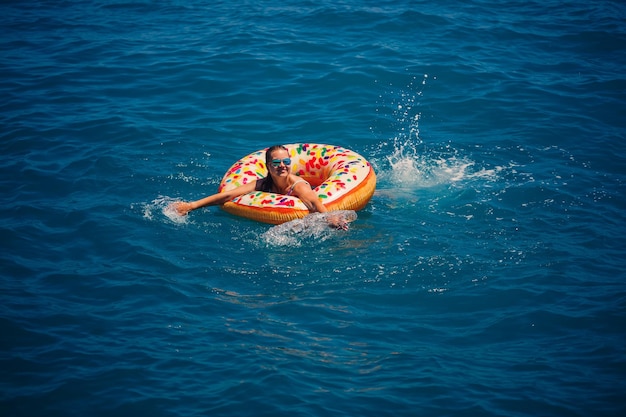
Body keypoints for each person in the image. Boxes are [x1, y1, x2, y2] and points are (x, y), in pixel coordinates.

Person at [171, 145, 349, 229]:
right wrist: (191, 206)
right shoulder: (262, 184)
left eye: (286, 162)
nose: (282, 166)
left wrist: (330, 219)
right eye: (276, 162)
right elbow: (228, 195)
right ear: (268, 166)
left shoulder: (298, 186)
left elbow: (315, 201)